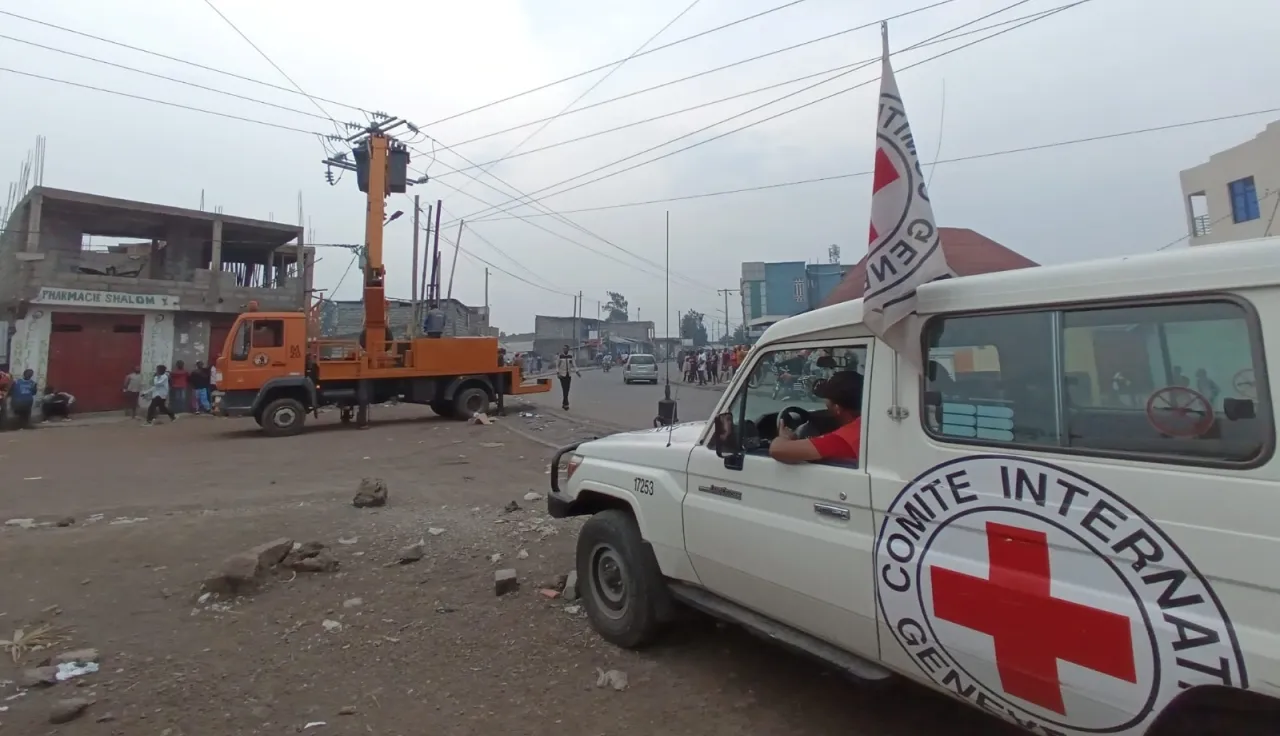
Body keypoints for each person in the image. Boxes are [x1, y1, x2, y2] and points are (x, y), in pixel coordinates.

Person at [769, 371, 864, 464]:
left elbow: (777, 450)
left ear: (837, 408)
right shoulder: (866, 426)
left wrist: (784, 437)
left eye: (827, 398)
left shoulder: (842, 440)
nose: (825, 402)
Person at [555, 345, 581, 411]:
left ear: (568, 349)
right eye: (564, 349)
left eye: (566, 349)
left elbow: (574, 364)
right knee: (564, 389)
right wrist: (557, 373)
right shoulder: (560, 356)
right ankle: (566, 404)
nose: (565, 350)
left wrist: (577, 371)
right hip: (562, 375)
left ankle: (564, 403)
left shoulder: (570, 356)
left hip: (568, 375)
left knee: (567, 389)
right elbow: (557, 365)